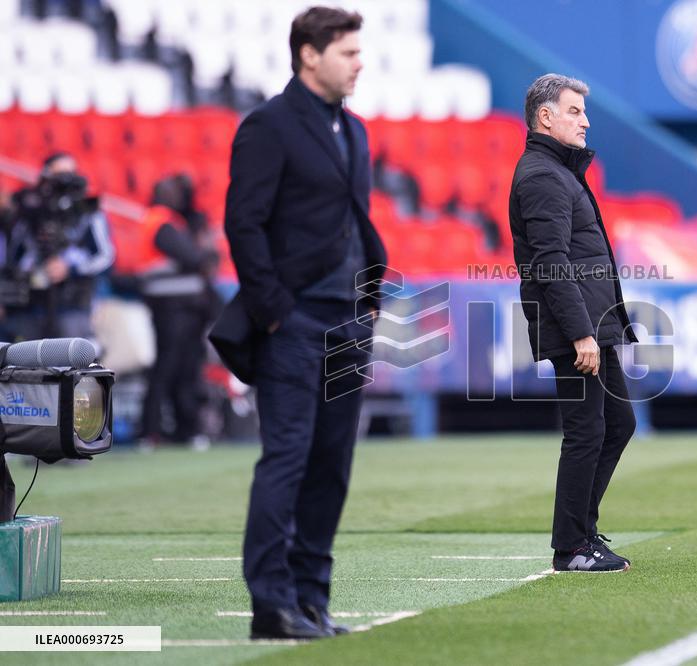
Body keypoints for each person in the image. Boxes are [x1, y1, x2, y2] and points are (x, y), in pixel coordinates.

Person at [216, 6, 387, 640]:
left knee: (331, 465)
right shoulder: (268, 125)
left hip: (348, 322)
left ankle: (312, 600)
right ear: (309, 54)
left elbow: (354, 221)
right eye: (348, 52)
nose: (359, 63)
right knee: (286, 459)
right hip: (293, 323)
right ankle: (272, 605)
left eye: (358, 52)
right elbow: (244, 223)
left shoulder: (356, 130)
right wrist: (275, 312)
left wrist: (369, 297)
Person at [509, 74, 639, 573]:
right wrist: (581, 332)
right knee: (586, 432)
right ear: (546, 117)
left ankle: (583, 531)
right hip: (576, 326)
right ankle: (572, 548)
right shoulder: (543, 175)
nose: (585, 121)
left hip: (592, 322)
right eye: (574, 111)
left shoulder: (558, 171)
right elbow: (550, 262)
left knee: (619, 424)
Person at [138, 174, 220, 449]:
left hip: (182, 306)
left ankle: (182, 430)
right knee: (170, 368)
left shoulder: (168, 221)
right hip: (172, 307)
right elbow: (194, 258)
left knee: (183, 369)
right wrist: (204, 258)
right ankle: (152, 431)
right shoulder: (161, 221)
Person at [4, 153, 115, 341]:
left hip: (72, 304)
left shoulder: (87, 211)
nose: (65, 180)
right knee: (29, 363)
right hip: (32, 306)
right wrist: (34, 269)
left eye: (70, 173)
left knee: (72, 360)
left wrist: (70, 267)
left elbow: (106, 256)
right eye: (59, 174)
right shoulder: (31, 210)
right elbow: (14, 254)